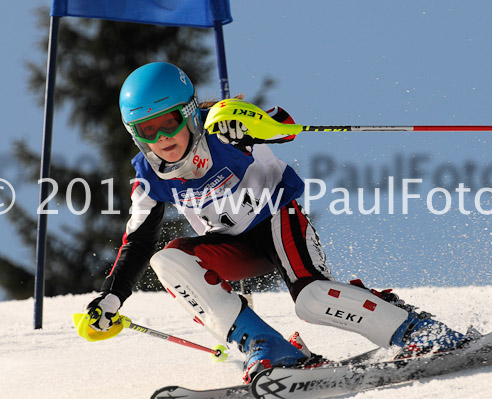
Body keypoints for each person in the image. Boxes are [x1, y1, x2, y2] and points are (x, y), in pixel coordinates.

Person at [84, 62, 471, 383]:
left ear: (188, 113)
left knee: (312, 301)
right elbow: (136, 241)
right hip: (231, 246)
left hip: (276, 221)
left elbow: (282, 125)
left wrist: (246, 129)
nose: (162, 137)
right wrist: (111, 297)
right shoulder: (149, 176)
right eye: (148, 129)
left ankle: (415, 330)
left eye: (168, 122)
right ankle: (267, 347)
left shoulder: (220, 123)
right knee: (167, 260)